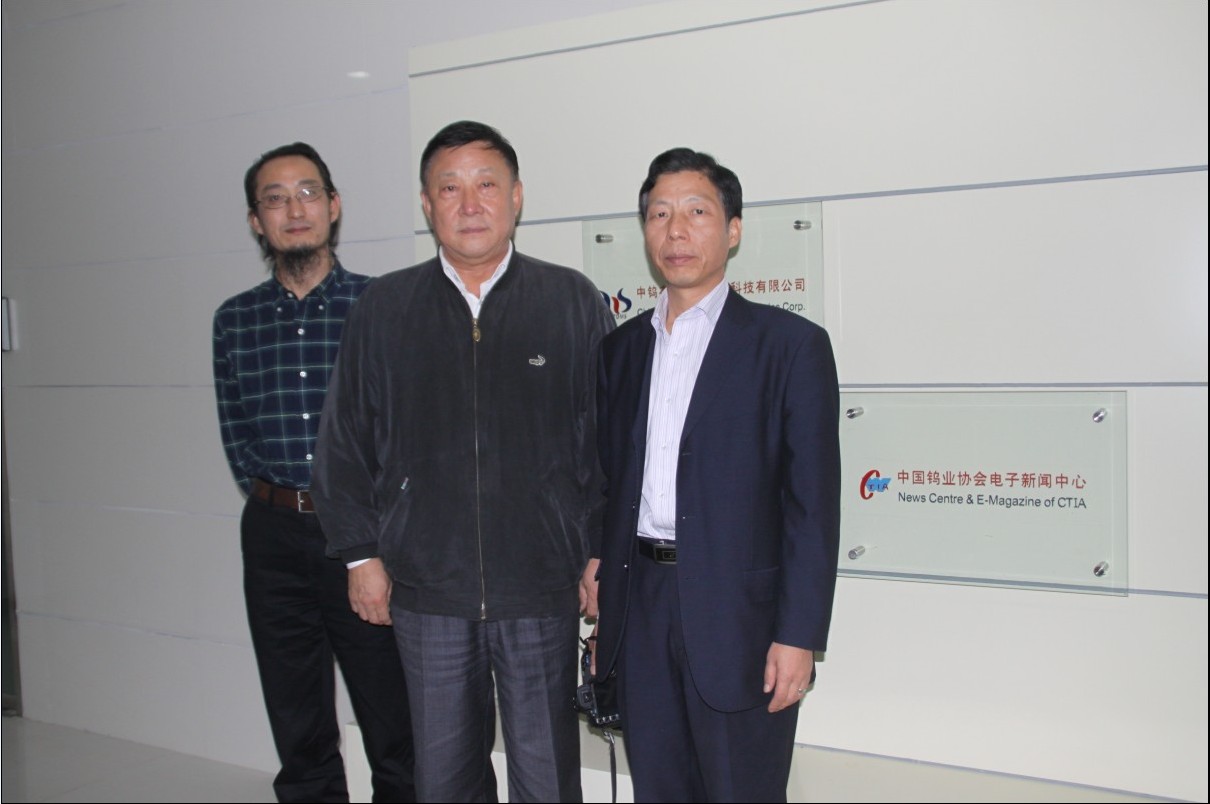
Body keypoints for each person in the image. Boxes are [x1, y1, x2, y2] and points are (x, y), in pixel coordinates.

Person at [311, 120, 615, 803]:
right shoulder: (384, 309)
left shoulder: (571, 302)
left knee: (546, 777)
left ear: (517, 197)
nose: (470, 204)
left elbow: (605, 448)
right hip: (427, 591)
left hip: (540, 587)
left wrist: (599, 552)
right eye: (450, 188)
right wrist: (361, 557)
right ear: (427, 204)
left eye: (487, 185)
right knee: (445, 779)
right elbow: (343, 444)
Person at [586, 148, 842, 802]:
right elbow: (609, 482)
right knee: (658, 788)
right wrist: (601, 581)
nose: (676, 230)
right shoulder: (621, 350)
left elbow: (812, 507)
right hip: (641, 605)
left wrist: (799, 636)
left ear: (733, 230)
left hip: (741, 617)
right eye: (659, 214)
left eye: (697, 212)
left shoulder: (790, 346)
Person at [212, 142, 415, 803]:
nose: (293, 209)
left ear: (333, 206)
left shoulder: (383, 304)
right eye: (275, 199)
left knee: (391, 712)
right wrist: (279, 499)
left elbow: (407, 431)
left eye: (307, 193)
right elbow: (237, 434)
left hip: (365, 537)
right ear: (256, 220)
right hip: (272, 534)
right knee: (294, 712)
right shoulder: (234, 320)